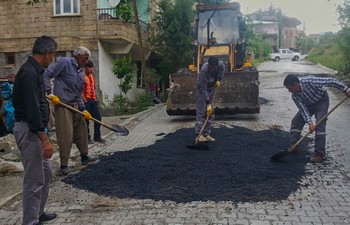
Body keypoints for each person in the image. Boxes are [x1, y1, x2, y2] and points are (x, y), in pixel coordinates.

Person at [12, 35, 58, 225]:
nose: (52, 59)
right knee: (34, 179)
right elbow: (32, 109)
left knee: (46, 173)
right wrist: (44, 139)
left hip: (35, 130)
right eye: (53, 56)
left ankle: (38, 213)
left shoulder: (35, 71)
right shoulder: (29, 73)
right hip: (29, 130)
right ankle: (30, 221)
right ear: (47, 53)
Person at [43, 46, 97, 176]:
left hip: (75, 105)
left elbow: (78, 93)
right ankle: (64, 165)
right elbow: (46, 74)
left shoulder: (80, 72)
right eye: (85, 58)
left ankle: (84, 156)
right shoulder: (64, 63)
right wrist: (50, 93)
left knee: (82, 130)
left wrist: (83, 109)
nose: (86, 61)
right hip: (62, 104)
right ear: (78, 56)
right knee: (66, 134)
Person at [283, 74, 350, 163]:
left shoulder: (310, 81)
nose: (289, 91)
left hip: (321, 101)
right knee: (296, 122)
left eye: (290, 88)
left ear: (296, 84)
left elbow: (331, 81)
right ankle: (293, 146)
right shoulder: (295, 96)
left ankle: (319, 154)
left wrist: (346, 90)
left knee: (320, 125)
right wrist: (310, 123)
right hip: (308, 105)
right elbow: (303, 109)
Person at [195, 56, 224, 142]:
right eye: (211, 67)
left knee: (211, 113)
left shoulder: (220, 64)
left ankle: (206, 134)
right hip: (202, 89)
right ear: (209, 65)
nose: (213, 69)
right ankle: (198, 135)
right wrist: (208, 103)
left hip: (211, 88)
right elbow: (203, 88)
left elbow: (221, 72)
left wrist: (219, 80)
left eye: (214, 67)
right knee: (201, 112)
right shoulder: (204, 70)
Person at [82, 60, 106, 144]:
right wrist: (84, 100)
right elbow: (80, 90)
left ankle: (97, 136)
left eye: (92, 67)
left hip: (93, 101)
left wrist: (95, 98)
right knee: (86, 120)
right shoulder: (82, 77)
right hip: (86, 101)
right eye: (89, 67)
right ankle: (87, 137)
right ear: (85, 68)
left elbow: (94, 88)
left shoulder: (91, 76)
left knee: (98, 118)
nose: (91, 69)